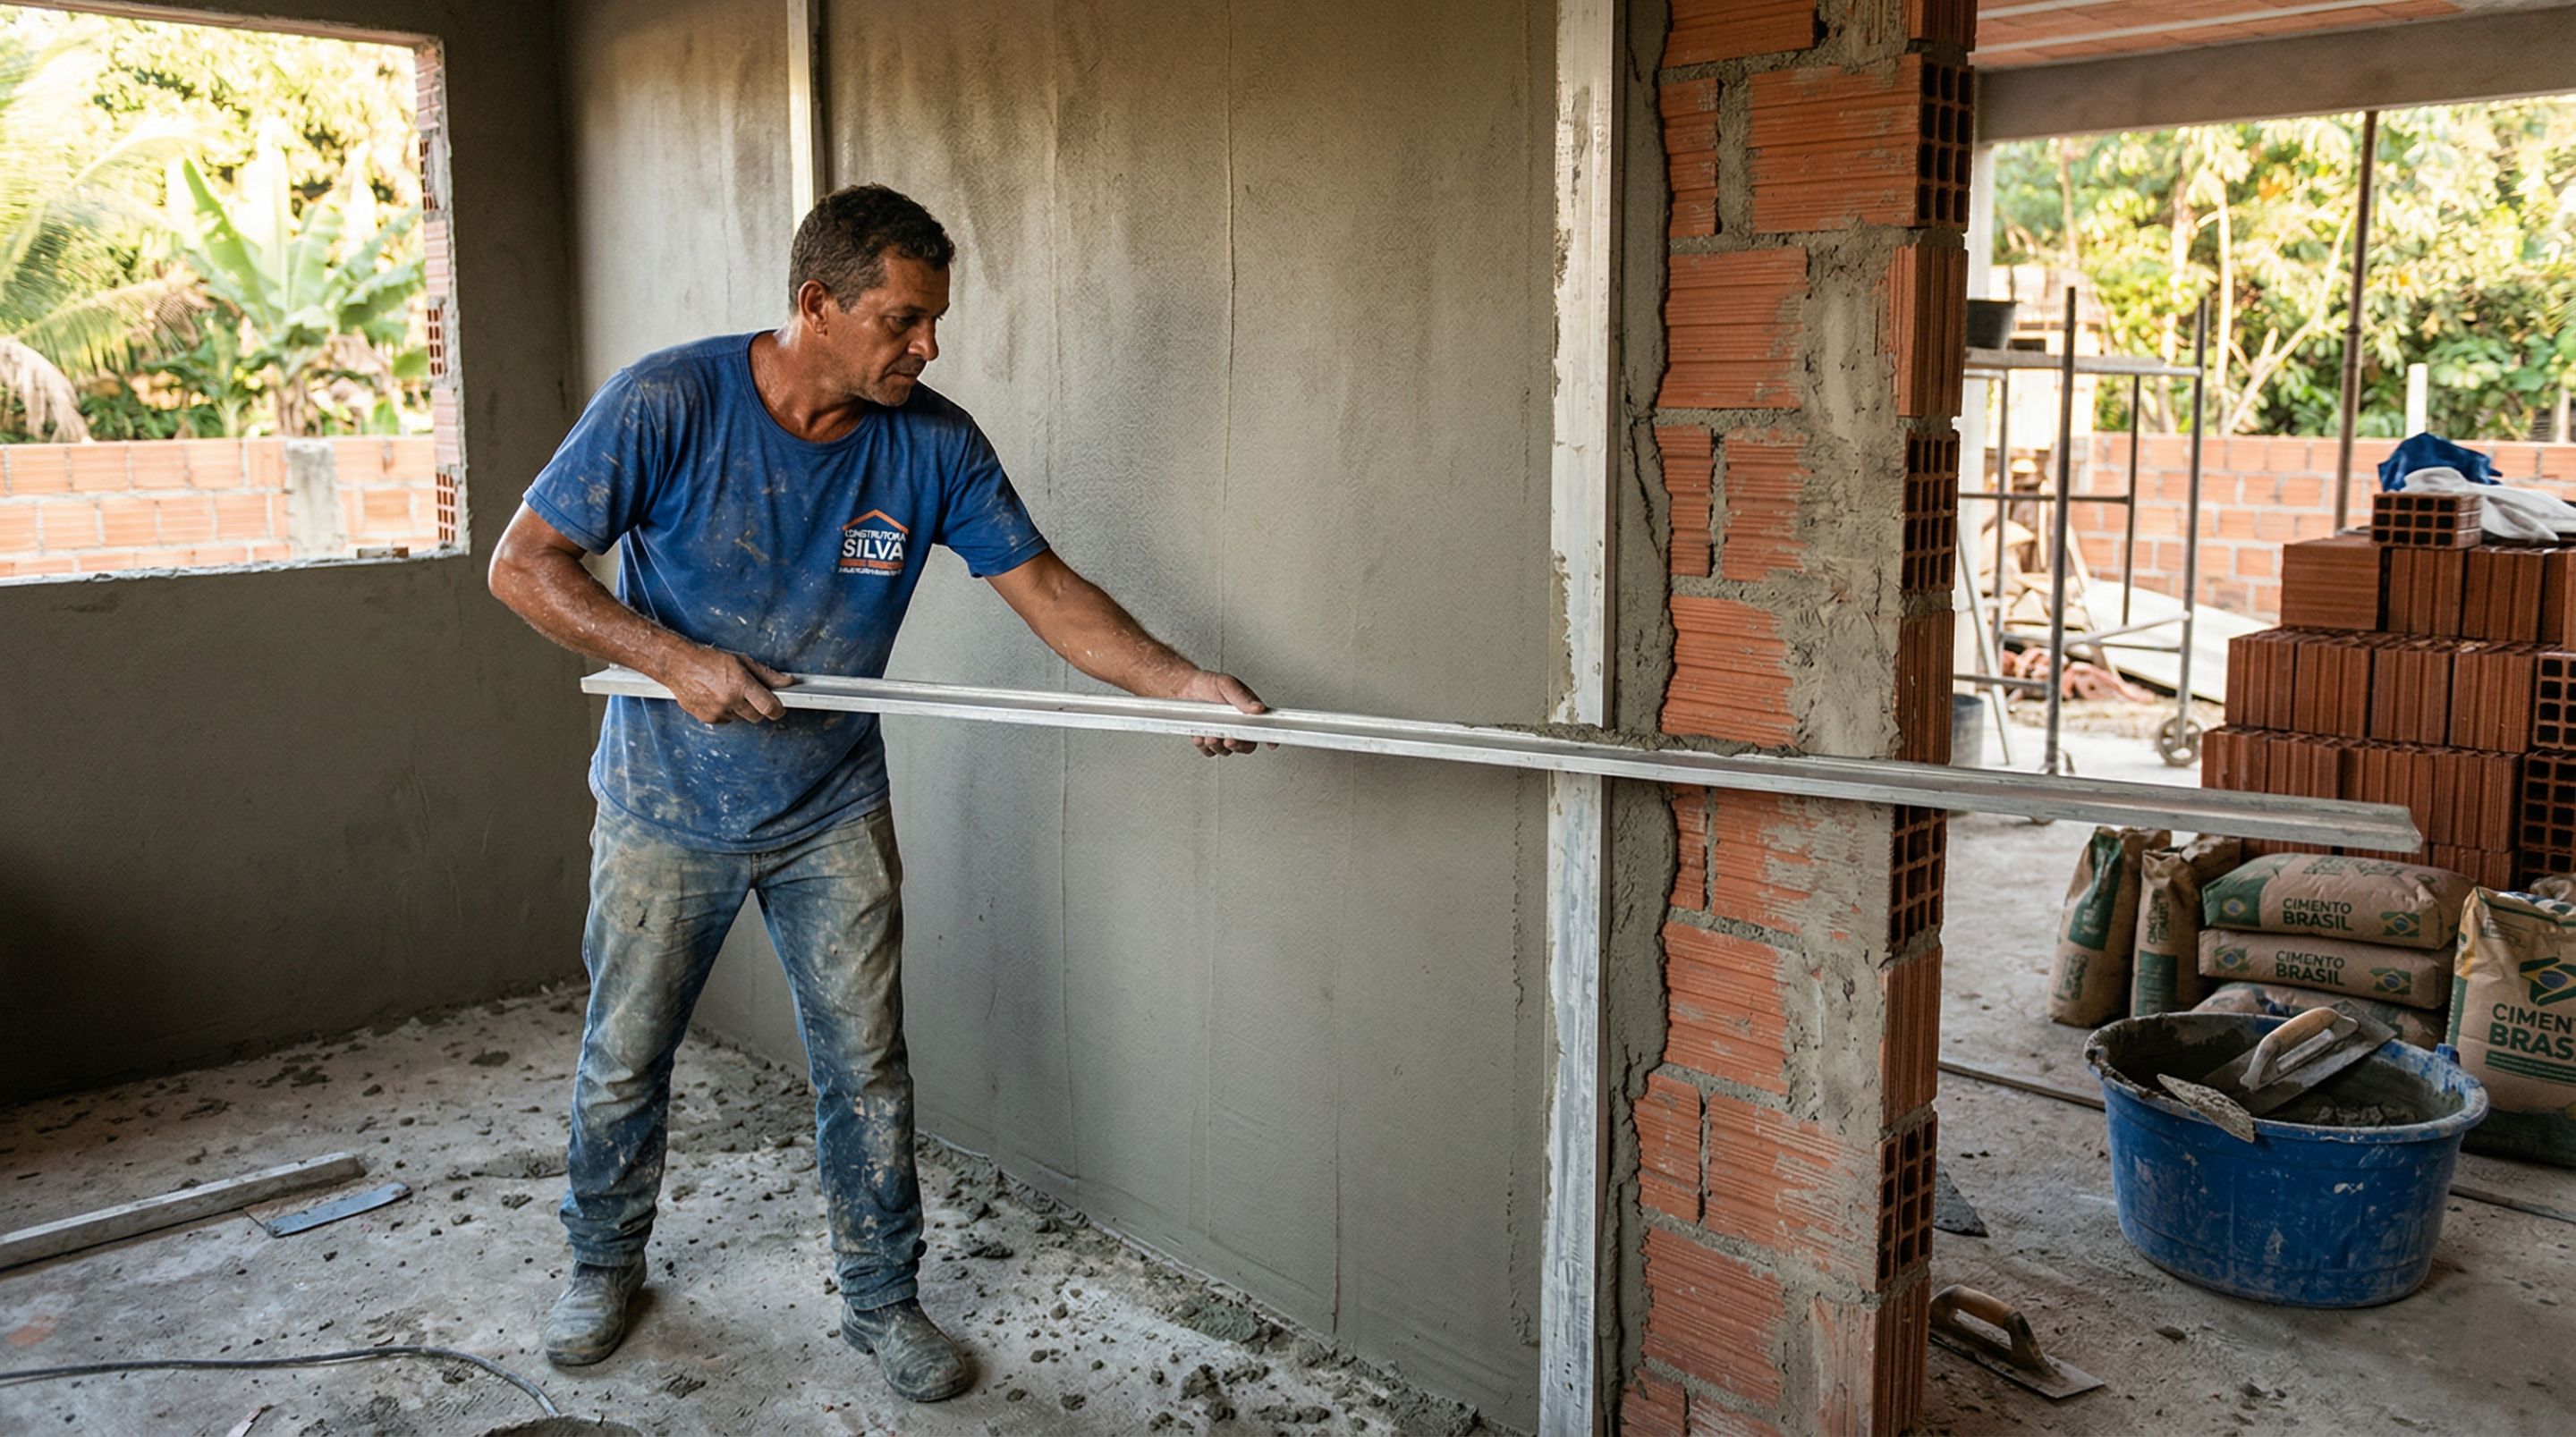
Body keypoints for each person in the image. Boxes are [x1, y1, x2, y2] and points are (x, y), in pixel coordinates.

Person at [486, 182, 1267, 1403]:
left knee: (866, 1067)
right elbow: (523, 566)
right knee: (626, 1057)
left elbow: (1049, 591)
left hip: (831, 810)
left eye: (934, 320)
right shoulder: (669, 402)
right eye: (904, 319)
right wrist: (675, 659)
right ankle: (602, 1263)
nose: (929, 346)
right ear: (818, 305)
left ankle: (882, 1299)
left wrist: (1177, 684)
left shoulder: (933, 445)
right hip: (665, 805)